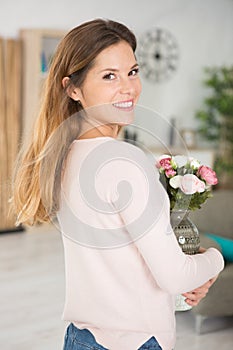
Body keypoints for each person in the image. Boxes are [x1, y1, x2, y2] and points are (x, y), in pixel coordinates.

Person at [12, 19, 224, 350]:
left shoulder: (63, 156)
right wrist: (216, 258)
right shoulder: (124, 161)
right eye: (109, 75)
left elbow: (130, 261)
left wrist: (187, 266)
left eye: (133, 71)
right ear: (73, 89)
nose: (128, 87)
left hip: (80, 337)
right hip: (136, 341)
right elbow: (174, 277)